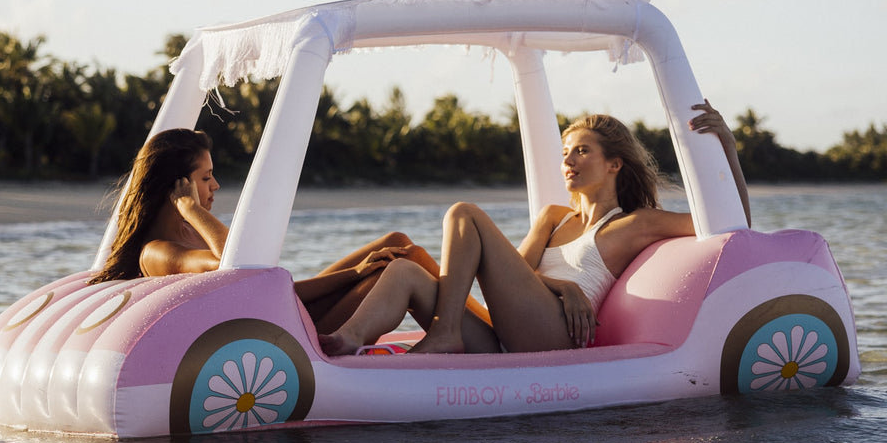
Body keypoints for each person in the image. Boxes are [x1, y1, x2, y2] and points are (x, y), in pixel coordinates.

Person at [318, 102, 750, 356]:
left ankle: (445, 334)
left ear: (614, 164)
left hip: (556, 336)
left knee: (463, 213)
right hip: (515, 331)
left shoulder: (635, 224)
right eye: (566, 152)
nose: (569, 161)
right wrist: (564, 287)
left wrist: (728, 149)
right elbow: (509, 280)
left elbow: (733, 223)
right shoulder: (553, 218)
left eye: (582, 151)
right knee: (405, 271)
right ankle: (344, 343)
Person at [89, 128, 476, 335]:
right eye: (205, 178)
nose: (216, 186)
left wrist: (351, 275)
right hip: (281, 335)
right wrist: (190, 210)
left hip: (282, 311)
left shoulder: (187, 239)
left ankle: (469, 322)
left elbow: (266, 286)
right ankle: (470, 331)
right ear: (178, 187)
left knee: (396, 245)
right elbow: (237, 262)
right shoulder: (156, 251)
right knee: (396, 266)